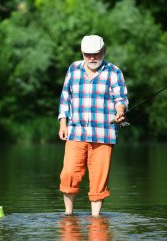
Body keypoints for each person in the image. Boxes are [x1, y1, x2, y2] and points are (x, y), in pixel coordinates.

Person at [58, 35, 128, 216]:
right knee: (68, 174)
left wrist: (120, 111)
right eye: (88, 54)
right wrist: (63, 123)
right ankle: (68, 214)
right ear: (82, 53)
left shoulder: (114, 72)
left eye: (96, 54)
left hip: (103, 134)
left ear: (103, 51)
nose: (92, 58)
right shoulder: (73, 69)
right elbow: (65, 97)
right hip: (76, 131)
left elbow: (120, 99)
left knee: (99, 178)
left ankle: (96, 219)